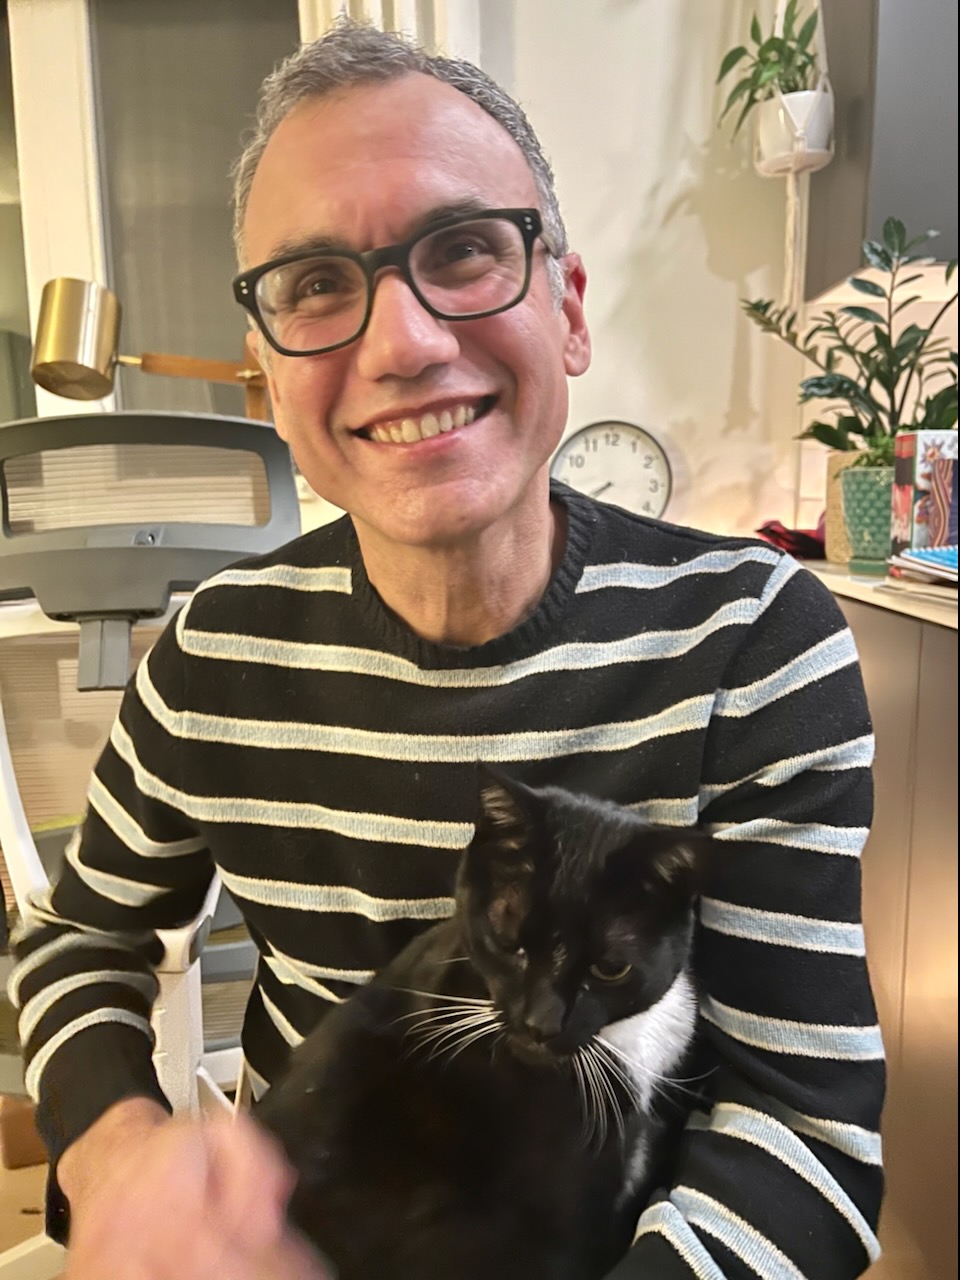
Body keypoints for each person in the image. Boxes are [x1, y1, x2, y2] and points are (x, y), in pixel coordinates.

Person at [11, 19, 885, 1279]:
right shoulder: (210, 655)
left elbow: (807, 1127)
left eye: (465, 250)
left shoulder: (753, 636)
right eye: (315, 284)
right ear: (263, 374)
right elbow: (81, 940)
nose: (404, 342)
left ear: (568, 309)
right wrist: (115, 1147)